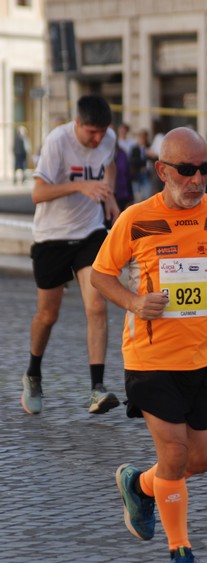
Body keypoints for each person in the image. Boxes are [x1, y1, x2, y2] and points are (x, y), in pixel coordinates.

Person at [90, 126, 207, 563]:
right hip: (150, 358)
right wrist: (136, 303)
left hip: (202, 359)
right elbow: (102, 275)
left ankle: (139, 484)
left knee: (202, 459)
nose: (196, 179)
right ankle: (181, 554)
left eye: (204, 169)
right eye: (186, 170)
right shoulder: (137, 219)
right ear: (162, 171)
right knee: (176, 456)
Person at [20, 94, 121, 416]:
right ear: (76, 124)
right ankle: (33, 373)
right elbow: (37, 193)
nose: (97, 139)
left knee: (97, 304)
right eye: (91, 132)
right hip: (51, 237)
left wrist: (108, 196)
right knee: (48, 315)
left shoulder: (108, 139)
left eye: (102, 132)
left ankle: (97, 388)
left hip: (89, 233)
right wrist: (80, 187)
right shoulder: (57, 142)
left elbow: (111, 164)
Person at [129, 128, 152, 202]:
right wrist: (143, 161)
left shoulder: (149, 147)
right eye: (141, 137)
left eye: (144, 137)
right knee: (137, 195)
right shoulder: (135, 148)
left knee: (146, 194)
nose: (142, 139)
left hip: (146, 173)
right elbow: (133, 161)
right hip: (137, 174)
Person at [115, 140, 134, 211]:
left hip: (122, 194)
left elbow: (128, 175)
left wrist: (131, 197)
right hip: (106, 196)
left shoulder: (122, 154)